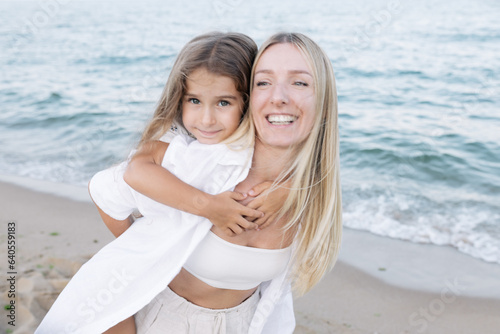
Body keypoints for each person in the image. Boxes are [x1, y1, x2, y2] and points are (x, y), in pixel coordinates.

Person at [39, 31, 343, 333]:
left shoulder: (312, 193)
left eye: (300, 82)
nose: (279, 97)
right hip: (163, 320)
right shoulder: (198, 163)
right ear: (252, 97)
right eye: (264, 82)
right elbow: (106, 191)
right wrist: (145, 260)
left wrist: (291, 192)